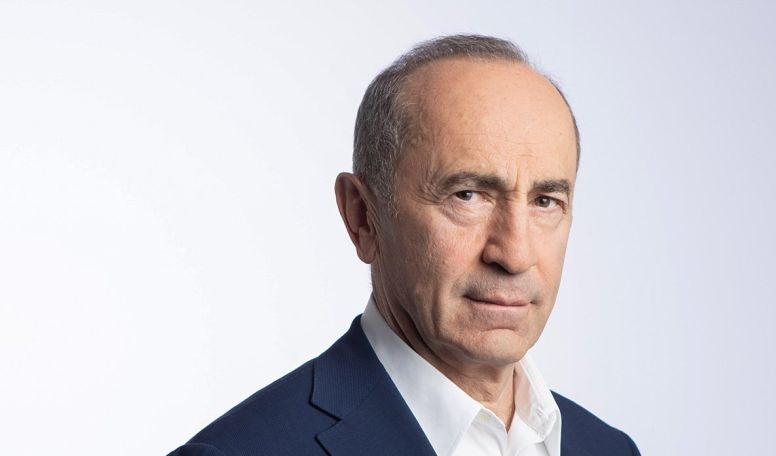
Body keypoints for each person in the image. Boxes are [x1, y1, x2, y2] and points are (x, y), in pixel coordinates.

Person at [169, 34, 641, 456]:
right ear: (363, 217)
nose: (515, 255)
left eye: (545, 201)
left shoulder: (610, 449)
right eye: (467, 195)